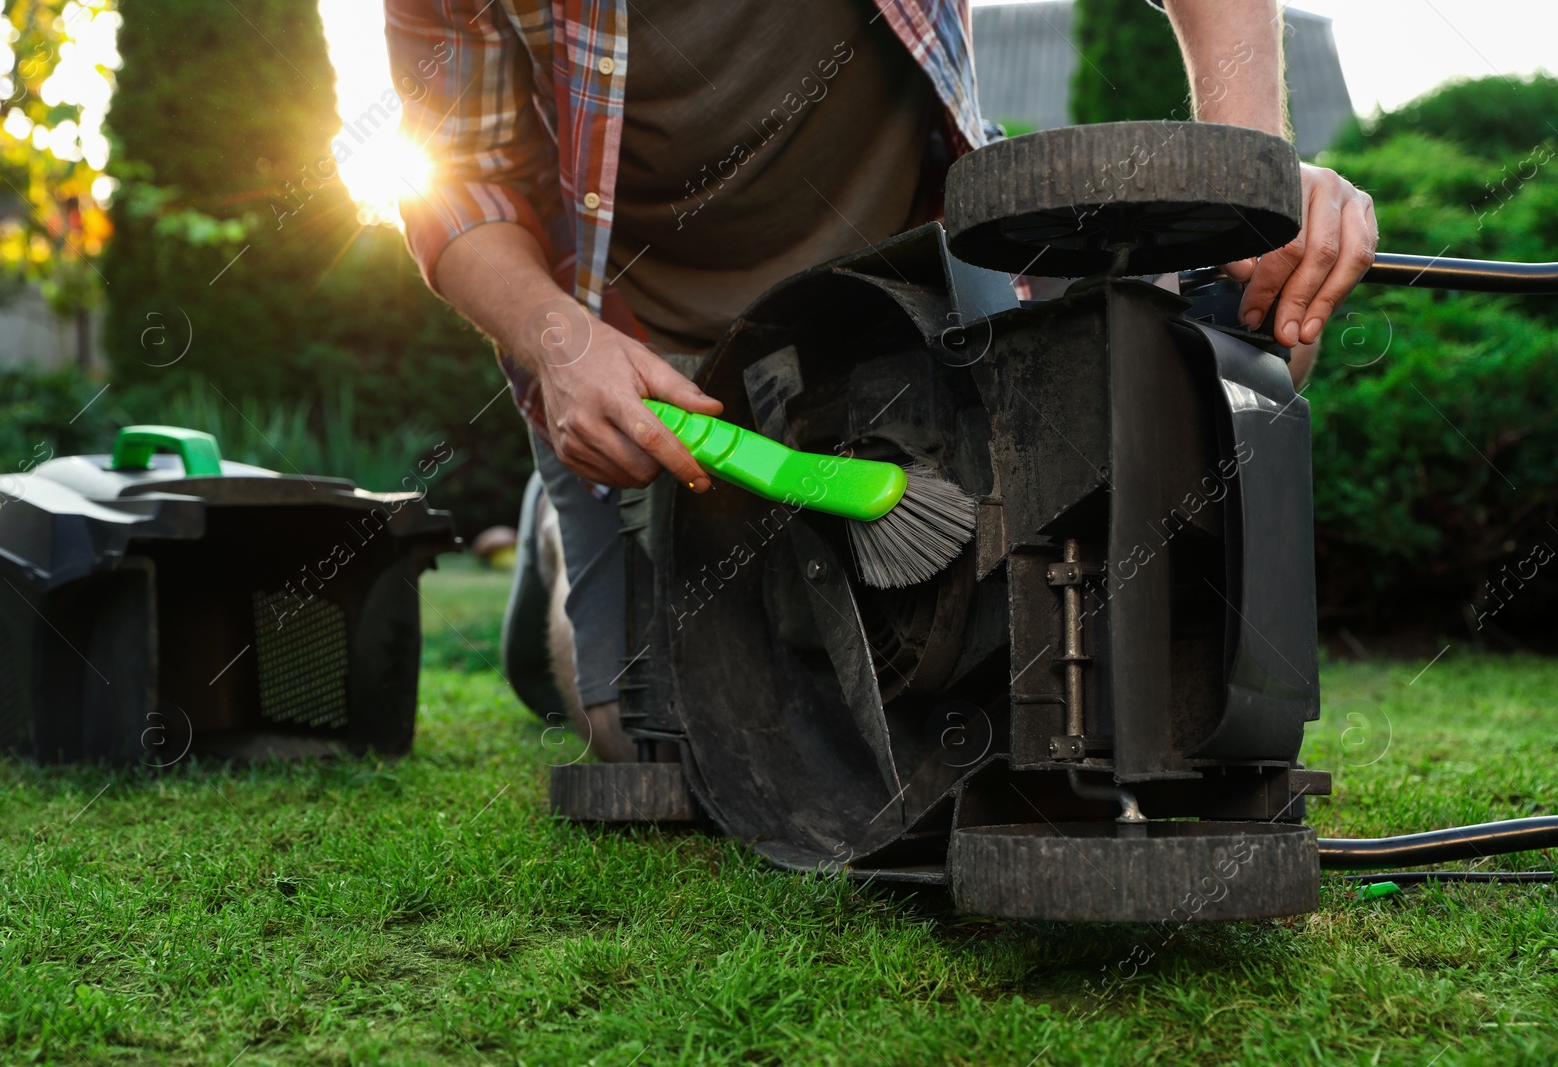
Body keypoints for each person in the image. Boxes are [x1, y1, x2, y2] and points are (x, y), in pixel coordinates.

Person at [385, 0, 1378, 760]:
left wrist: (1252, 178)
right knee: (652, 738)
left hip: (910, 290)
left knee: (979, 704)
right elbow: (454, 181)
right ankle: (566, 536)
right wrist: (557, 343)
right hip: (643, 355)